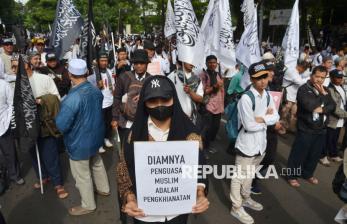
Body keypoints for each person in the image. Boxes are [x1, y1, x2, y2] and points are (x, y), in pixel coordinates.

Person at [116, 75, 209, 224]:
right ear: (144, 102)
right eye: (152, 101)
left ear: (174, 99)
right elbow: (124, 172)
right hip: (144, 214)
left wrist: (200, 193)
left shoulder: (190, 133)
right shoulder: (132, 136)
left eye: (165, 99)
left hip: (177, 213)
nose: (159, 105)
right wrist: (130, 199)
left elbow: (199, 168)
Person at [56, 59, 110, 216]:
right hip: (96, 135)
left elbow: (61, 124)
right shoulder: (95, 90)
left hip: (79, 141)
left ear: (70, 75)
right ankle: (104, 189)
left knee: (82, 175)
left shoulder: (71, 99)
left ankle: (88, 204)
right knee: (97, 162)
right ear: (86, 73)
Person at [230, 61, 279, 224]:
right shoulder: (246, 97)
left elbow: (276, 116)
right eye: (258, 78)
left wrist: (262, 118)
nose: (263, 81)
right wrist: (267, 119)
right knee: (239, 176)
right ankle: (236, 207)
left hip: (260, 144)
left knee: (250, 174)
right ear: (251, 79)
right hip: (247, 144)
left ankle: (245, 198)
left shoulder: (267, 95)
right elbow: (249, 125)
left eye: (265, 76)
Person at [25, 51, 68, 199]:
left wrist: (41, 100)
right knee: (33, 152)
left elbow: (56, 98)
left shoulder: (43, 79)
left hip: (45, 123)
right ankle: (42, 177)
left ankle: (57, 183)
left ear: (27, 65)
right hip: (27, 125)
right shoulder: (13, 85)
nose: (13, 70)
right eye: (12, 67)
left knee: (50, 152)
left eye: (17, 66)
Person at [287, 66, 336, 187]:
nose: (319, 80)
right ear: (311, 76)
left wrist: (323, 107)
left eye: (322, 77)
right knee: (299, 153)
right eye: (317, 76)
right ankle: (291, 175)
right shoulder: (304, 89)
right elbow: (311, 106)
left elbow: (333, 106)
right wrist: (323, 97)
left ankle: (307, 174)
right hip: (306, 128)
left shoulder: (326, 90)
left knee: (314, 154)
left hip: (321, 128)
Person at [112, 49, 151, 142]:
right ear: (133, 64)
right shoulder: (124, 77)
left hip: (144, 123)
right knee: (126, 151)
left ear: (147, 64)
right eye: (136, 63)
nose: (139, 66)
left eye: (142, 63)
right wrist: (115, 118)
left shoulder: (151, 80)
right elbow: (117, 97)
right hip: (125, 122)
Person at [88, 50, 115, 153]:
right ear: (98, 61)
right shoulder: (93, 73)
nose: (104, 62)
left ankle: (106, 138)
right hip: (99, 104)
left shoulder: (109, 71)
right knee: (99, 125)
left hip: (109, 101)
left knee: (108, 123)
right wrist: (96, 86)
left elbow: (112, 85)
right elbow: (88, 88)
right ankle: (98, 143)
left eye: (105, 60)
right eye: (102, 60)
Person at [0, 72, 24, 185]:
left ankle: (14, 175)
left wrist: (8, 120)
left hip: (4, 125)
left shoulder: (4, 85)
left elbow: (11, 104)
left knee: (9, 152)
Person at [320, 69, 347, 166]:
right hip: (332, 119)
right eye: (337, 77)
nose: (340, 79)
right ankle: (323, 156)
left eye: (341, 77)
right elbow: (334, 107)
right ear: (331, 78)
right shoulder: (329, 89)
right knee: (327, 139)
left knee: (335, 138)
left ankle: (333, 154)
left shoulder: (341, 87)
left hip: (340, 119)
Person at [200, 55, 224, 153]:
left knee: (215, 127)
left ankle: (209, 142)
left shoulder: (218, 74)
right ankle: (205, 148)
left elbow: (222, 90)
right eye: (210, 62)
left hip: (218, 106)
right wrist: (215, 87)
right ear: (206, 63)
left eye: (214, 62)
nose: (212, 64)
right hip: (208, 106)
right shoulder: (203, 75)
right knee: (207, 128)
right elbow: (203, 91)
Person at [167, 60, 204, 126]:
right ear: (183, 60)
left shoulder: (197, 79)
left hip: (191, 118)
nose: (192, 63)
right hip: (175, 117)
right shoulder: (173, 76)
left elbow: (200, 99)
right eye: (189, 60)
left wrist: (190, 92)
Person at [281, 60, 309, 133]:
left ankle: (291, 128)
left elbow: (303, 77)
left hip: (294, 96)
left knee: (294, 113)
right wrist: (310, 78)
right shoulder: (291, 71)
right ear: (301, 68)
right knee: (285, 112)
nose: (303, 72)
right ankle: (282, 128)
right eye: (304, 70)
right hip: (287, 95)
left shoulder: (297, 72)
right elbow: (300, 82)